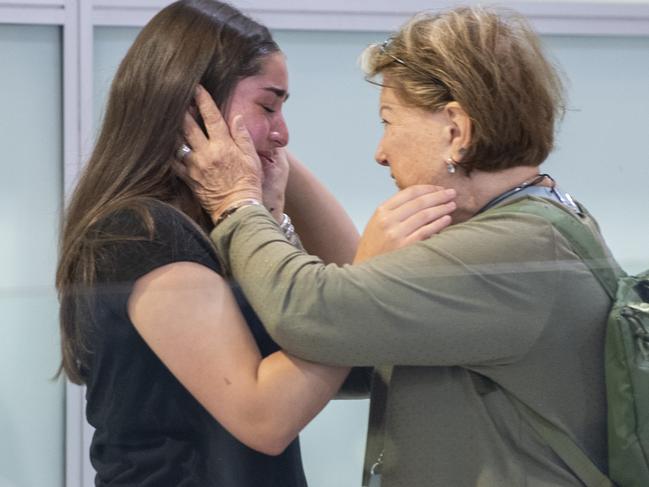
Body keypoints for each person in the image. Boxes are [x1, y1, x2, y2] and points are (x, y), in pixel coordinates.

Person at [177, 6, 614, 487]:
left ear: (456, 129)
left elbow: (311, 314)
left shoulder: (516, 249)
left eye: (389, 121)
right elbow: (359, 354)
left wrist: (236, 202)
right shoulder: (532, 228)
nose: (380, 152)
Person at [55, 1, 458, 485]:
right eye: (269, 105)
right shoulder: (140, 232)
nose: (283, 132)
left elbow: (364, 337)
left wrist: (262, 179)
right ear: (191, 105)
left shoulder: (206, 225)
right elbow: (264, 416)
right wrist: (366, 267)